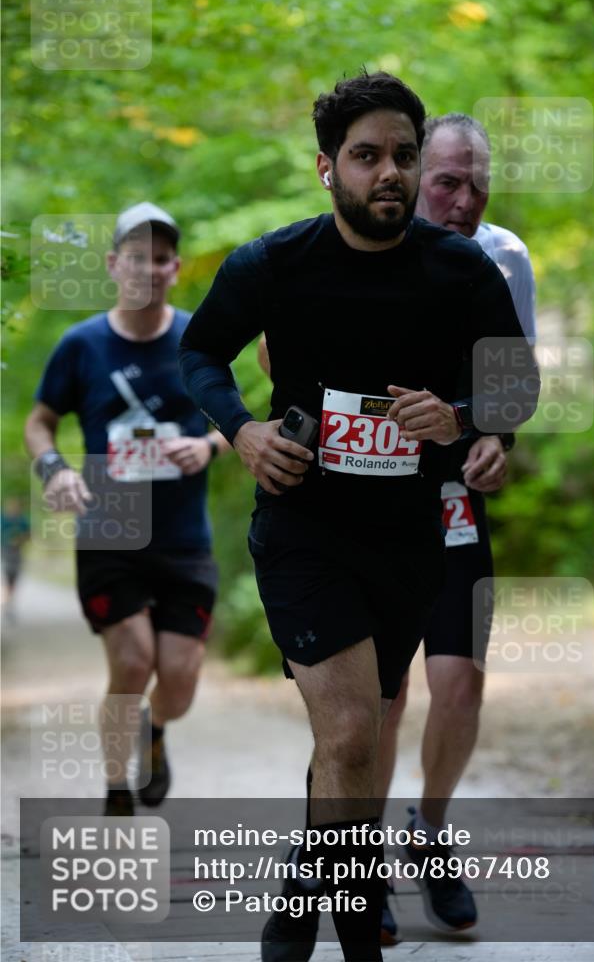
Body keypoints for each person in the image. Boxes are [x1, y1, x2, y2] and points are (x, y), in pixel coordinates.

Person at [179, 70, 536, 962]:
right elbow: (199, 355)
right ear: (325, 167)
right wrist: (242, 430)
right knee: (345, 736)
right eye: (366, 156)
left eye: (403, 156)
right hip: (303, 529)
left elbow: (516, 388)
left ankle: (302, 898)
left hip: (409, 538)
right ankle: (356, 945)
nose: (389, 173)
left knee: (358, 745)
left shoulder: (460, 269)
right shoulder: (273, 263)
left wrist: (460, 416)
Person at [375, 113, 537, 942]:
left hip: (450, 494)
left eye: (478, 185)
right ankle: (355, 854)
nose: (464, 200)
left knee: (460, 679)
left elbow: (510, 385)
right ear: (413, 178)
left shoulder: (505, 257)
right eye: (447, 182)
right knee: (382, 692)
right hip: (366, 495)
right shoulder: (362, 241)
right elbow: (276, 356)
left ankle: (428, 830)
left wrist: (494, 440)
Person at [24, 202, 228, 815]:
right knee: (133, 660)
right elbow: (40, 422)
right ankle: (116, 790)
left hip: (184, 536)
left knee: (180, 681)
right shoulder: (81, 345)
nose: (148, 269)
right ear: (114, 265)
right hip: (109, 528)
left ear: (175, 268)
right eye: (136, 257)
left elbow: (238, 422)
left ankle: (154, 729)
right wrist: (55, 469)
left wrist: (207, 446)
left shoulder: (199, 340)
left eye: (160, 259)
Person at [1, 496, 30, 622]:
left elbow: (29, 534)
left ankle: (9, 603)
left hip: (17, 553)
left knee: (13, 580)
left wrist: (20, 539)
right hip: (5, 553)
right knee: (7, 579)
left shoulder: (22, 520)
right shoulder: (2, 520)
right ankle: (7, 604)